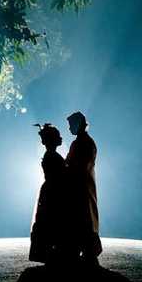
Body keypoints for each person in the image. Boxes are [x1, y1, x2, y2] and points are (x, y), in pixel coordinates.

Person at [28, 123, 72, 264]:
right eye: (58, 136)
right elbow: (60, 175)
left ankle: (51, 255)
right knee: (53, 221)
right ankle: (52, 255)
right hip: (54, 192)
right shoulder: (52, 156)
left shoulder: (50, 155)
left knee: (50, 222)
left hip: (51, 191)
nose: (61, 138)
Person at [65, 111, 102, 265]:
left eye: (70, 125)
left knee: (84, 218)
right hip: (83, 187)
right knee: (84, 218)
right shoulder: (84, 142)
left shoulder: (83, 143)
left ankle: (87, 253)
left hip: (81, 188)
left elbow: (78, 166)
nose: (69, 128)